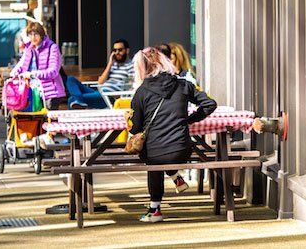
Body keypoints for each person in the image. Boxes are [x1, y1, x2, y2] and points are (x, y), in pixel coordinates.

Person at [129, 47, 217, 222]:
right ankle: (175, 175)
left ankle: (155, 210)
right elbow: (210, 104)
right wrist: (188, 120)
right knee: (163, 151)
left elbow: (135, 127)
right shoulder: (183, 84)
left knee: (153, 155)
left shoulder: (141, 92)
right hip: (182, 149)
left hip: (154, 153)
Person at [9, 21, 67, 109]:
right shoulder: (29, 49)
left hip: (50, 93)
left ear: (42, 34)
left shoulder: (52, 47)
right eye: (30, 35)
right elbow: (21, 65)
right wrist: (13, 74)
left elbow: (53, 71)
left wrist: (32, 74)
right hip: (33, 91)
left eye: (36, 34)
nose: (33, 37)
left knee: (48, 120)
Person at [65, 38, 133, 109]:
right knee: (70, 79)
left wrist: (118, 95)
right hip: (99, 91)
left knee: (71, 99)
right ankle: (79, 100)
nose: (117, 52)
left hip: (109, 96)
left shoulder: (131, 65)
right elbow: (100, 82)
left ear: (127, 50)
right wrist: (109, 64)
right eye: (114, 50)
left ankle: (78, 100)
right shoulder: (113, 65)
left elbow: (129, 86)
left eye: (120, 50)